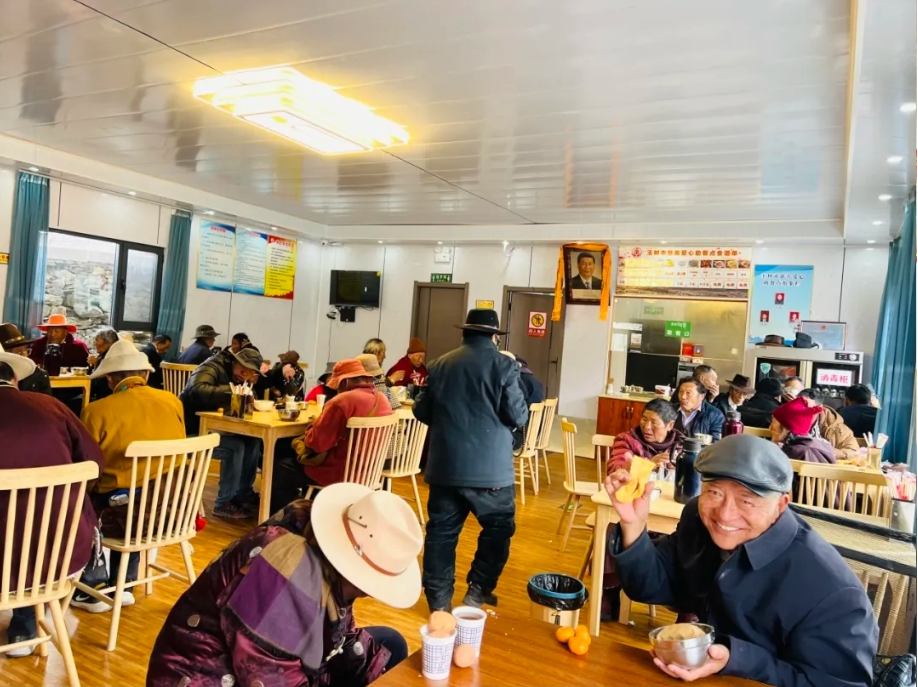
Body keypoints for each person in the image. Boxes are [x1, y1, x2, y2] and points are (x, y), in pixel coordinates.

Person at [605, 434, 877, 686]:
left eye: (746, 501)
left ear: (781, 505)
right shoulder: (698, 520)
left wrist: (737, 659)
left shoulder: (834, 594)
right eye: (714, 493)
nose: (725, 514)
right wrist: (633, 525)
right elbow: (651, 585)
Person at [146, 484, 421, 687]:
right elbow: (267, 674)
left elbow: (338, 632)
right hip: (207, 675)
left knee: (390, 644)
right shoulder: (287, 572)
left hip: (258, 663)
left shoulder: (319, 547)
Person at [414, 309, 529, 611]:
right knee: (498, 529)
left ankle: (438, 602)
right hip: (491, 473)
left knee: (441, 534)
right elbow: (518, 415)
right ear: (494, 336)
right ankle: (478, 591)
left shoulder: (439, 364)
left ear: (464, 333)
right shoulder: (505, 365)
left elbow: (421, 411)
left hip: (444, 468)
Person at [0, 351, 104, 656]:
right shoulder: (51, 406)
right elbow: (94, 463)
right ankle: (25, 628)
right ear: (15, 379)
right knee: (35, 530)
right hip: (58, 547)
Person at [73, 339, 186, 613]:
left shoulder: (97, 411)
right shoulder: (173, 401)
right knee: (143, 488)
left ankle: (92, 584)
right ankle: (125, 584)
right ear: (145, 373)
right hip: (174, 510)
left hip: (124, 516)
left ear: (110, 378)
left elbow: (87, 468)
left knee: (81, 499)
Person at [270, 359, 393, 514]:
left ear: (345, 382)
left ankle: (282, 518)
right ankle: (313, 508)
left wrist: (312, 427)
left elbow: (317, 444)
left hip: (339, 473)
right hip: (369, 473)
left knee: (281, 467)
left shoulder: (341, 401)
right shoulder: (382, 399)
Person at [600, 398, 685, 619]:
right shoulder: (627, 440)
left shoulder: (681, 446)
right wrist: (643, 465)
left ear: (670, 426)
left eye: (654, 423)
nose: (646, 427)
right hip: (633, 510)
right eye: (644, 419)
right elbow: (617, 465)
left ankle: (689, 607)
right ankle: (609, 593)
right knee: (613, 530)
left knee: (689, 536)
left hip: (667, 512)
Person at [179, 347, 264, 519]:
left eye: (249, 373)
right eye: (243, 369)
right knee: (234, 447)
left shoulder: (236, 377)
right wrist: (233, 390)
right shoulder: (211, 366)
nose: (244, 375)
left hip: (212, 429)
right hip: (187, 431)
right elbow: (198, 390)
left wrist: (247, 392)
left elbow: (247, 393)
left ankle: (243, 493)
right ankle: (224, 502)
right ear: (234, 361)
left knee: (251, 439)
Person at [770, 397, 836, 463]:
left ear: (786, 428)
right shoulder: (820, 446)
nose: (770, 428)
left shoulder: (796, 452)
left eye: (774, 422)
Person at [799, 389, 859, 461]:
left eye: (807, 409)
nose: (800, 413)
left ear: (819, 408)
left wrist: (823, 451)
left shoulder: (837, 428)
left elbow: (853, 453)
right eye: (797, 408)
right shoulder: (787, 422)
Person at [0, 322, 51, 394]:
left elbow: (46, 400)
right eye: (19, 352)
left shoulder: (39, 375)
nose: (24, 355)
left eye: (26, 350)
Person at [674, 377, 724, 442]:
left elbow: (716, 442)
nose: (683, 397)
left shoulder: (715, 415)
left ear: (702, 396)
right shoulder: (670, 409)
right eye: (681, 392)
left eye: (688, 393)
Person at [88, 328, 120, 401]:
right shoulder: (102, 356)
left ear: (107, 343)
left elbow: (106, 374)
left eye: (97, 340)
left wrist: (97, 363)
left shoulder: (114, 356)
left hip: (108, 397)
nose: (95, 343)